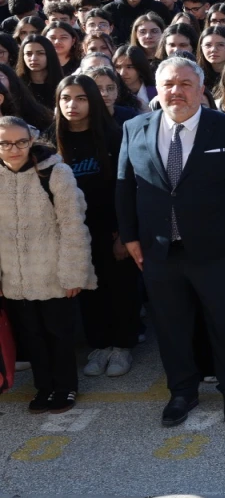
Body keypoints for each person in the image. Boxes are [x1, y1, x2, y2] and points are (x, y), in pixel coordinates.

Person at [116, 56, 225, 427]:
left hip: (218, 250)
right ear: (158, 88)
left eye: (185, 84)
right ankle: (182, 391)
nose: (176, 91)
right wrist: (130, 236)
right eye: (168, 84)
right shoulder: (135, 127)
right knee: (171, 326)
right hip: (159, 250)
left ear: (201, 90)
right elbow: (123, 186)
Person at [0, 115, 96, 413]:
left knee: (59, 334)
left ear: (31, 140)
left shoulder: (55, 172)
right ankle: (43, 388)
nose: (14, 149)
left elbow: (73, 226)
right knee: (31, 336)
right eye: (4, 143)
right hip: (14, 278)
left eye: (20, 142)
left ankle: (65, 387)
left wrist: (73, 273)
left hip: (54, 273)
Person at [50, 75, 138, 379]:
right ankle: (99, 345)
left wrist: (123, 233)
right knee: (89, 289)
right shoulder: (52, 141)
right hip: (74, 233)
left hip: (112, 230)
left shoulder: (115, 136)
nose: (71, 105)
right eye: (65, 99)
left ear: (93, 101)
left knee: (121, 288)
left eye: (80, 98)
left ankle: (122, 346)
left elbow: (127, 187)